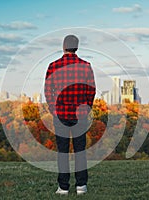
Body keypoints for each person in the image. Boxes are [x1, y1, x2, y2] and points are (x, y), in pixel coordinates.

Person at [44, 35, 96, 195]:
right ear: (77, 47)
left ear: (63, 46)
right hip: (80, 115)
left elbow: (48, 91)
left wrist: (54, 109)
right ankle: (81, 186)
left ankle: (63, 187)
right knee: (80, 150)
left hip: (60, 115)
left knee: (62, 151)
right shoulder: (86, 66)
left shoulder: (53, 66)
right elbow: (91, 90)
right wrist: (86, 108)